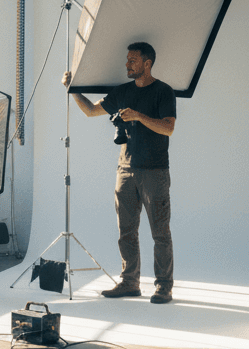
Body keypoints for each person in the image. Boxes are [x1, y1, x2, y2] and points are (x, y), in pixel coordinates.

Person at [62, 42, 176, 303]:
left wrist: (138, 116)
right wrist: (72, 90)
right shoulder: (122, 92)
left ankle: (164, 286)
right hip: (125, 170)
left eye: (133, 60)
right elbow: (92, 111)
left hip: (155, 171)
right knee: (126, 230)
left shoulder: (163, 91)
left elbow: (168, 128)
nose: (127, 64)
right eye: (127, 60)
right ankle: (129, 282)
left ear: (147, 64)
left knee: (160, 231)